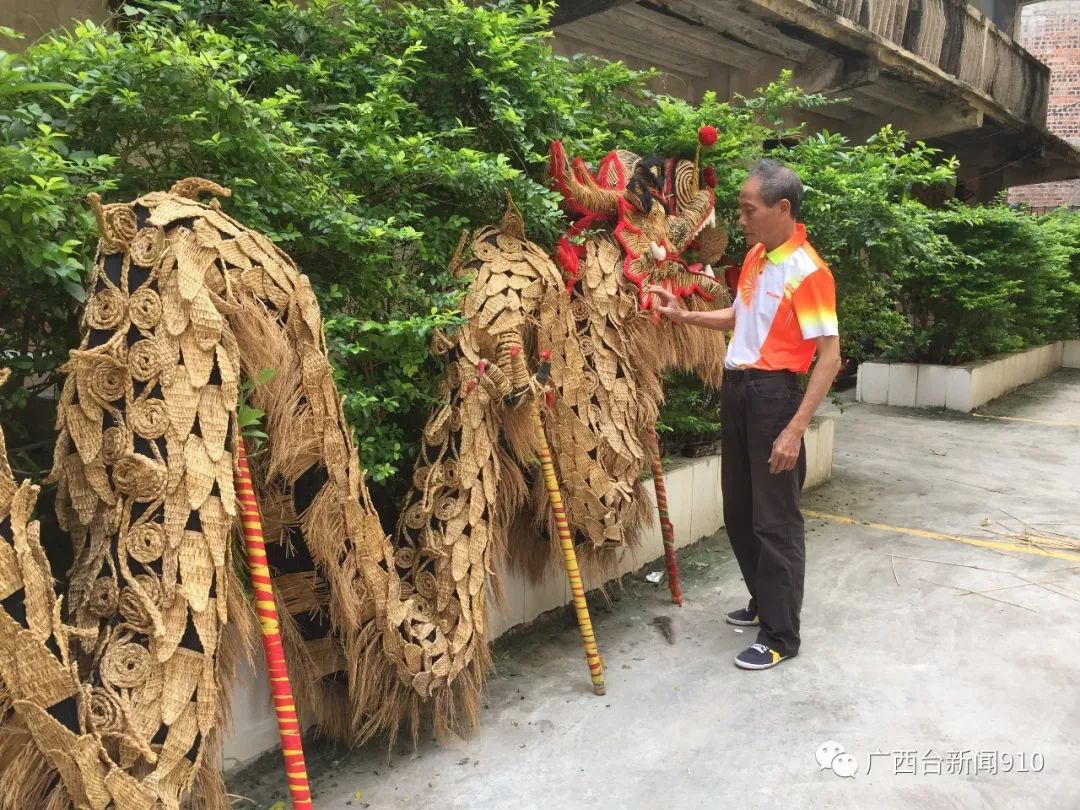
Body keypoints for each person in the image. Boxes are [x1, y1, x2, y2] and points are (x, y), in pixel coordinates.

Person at [650, 158, 841, 670]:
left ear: (783, 208)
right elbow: (739, 315)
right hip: (737, 390)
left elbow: (830, 356)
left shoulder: (809, 274)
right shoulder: (759, 255)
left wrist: (795, 428)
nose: (740, 219)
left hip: (773, 399)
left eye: (747, 210)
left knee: (775, 521)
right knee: (738, 510)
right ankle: (764, 602)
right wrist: (684, 314)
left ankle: (781, 636)